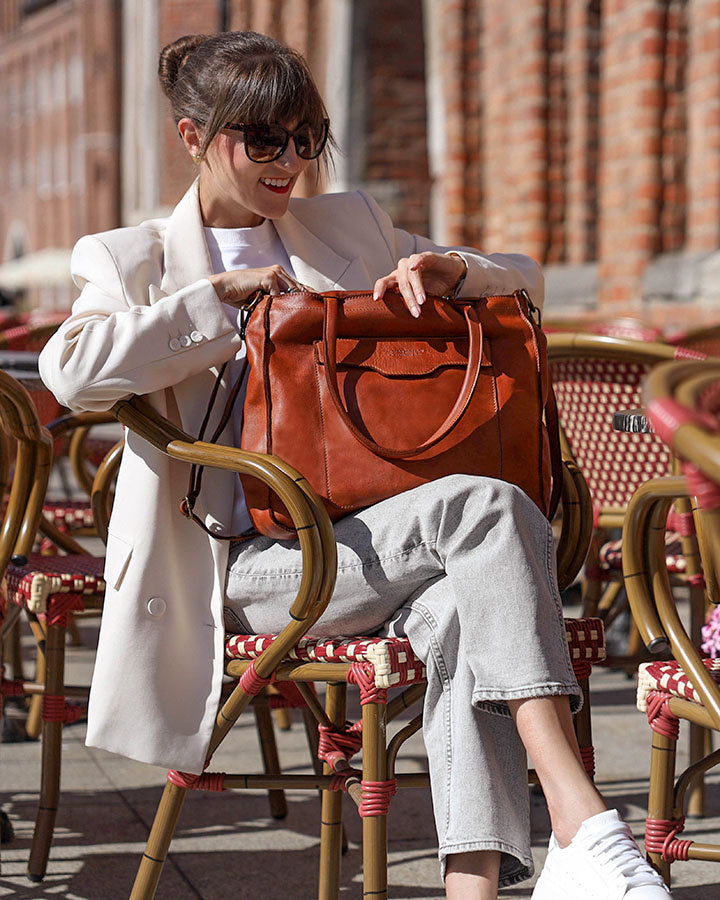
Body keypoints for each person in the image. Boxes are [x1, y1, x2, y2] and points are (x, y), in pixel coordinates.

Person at [38, 30, 671, 900]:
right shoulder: (129, 259)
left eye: (306, 137)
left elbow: (523, 278)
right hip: (245, 563)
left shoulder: (350, 226)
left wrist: (455, 270)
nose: (290, 161)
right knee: (485, 507)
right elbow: (70, 374)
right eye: (263, 140)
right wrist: (212, 302)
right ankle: (582, 821)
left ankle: (481, 887)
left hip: (382, 533)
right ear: (192, 137)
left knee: (457, 610)